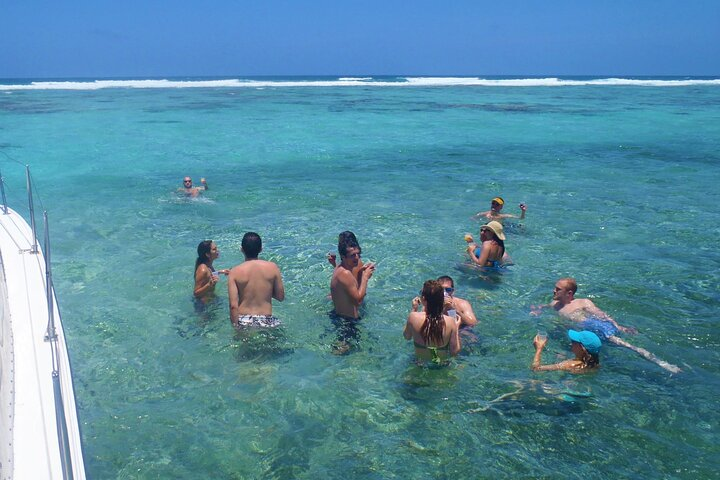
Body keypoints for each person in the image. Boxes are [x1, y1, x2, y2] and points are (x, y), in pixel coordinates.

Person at [531, 277, 681, 373]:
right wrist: (538, 310)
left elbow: (602, 315)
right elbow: (545, 306)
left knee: (627, 346)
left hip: (595, 327)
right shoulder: (554, 303)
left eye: (558, 289)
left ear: (569, 293)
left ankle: (663, 364)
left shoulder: (583, 302)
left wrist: (619, 327)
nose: (554, 290)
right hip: (580, 332)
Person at [227, 232, 285, 328]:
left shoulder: (234, 272)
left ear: (242, 249)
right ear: (261, 249)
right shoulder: (273, 267)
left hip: (244, 320)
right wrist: (266, 290)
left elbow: (233, 306)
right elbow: (280, 297)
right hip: (267, 320)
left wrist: (236, 328)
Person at [404, 280, 461, 363]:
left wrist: (414, 309)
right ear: (442, 299)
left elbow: (407, 337)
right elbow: (454, 352)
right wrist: (456, 327)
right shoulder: (450, 321)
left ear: (423, 299)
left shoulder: (413, 317)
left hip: (420, 364)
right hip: (441, 365)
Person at [330, 239, 375, 320]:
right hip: (346, 323)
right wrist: (365, 277)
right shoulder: (345, 274)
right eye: (353, 255)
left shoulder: (339, 268)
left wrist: (361, 273)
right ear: (343, 257)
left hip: (340, 317)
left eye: (358, 254)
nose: (357, 257)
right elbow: (358, 302)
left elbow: (349, 287)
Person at [531, 330, 601, 372]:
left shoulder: (569, 365)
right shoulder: (594, 364)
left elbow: (535, 369)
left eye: (573, 342)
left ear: (581, 348)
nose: (571, 343)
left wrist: (539, 349)